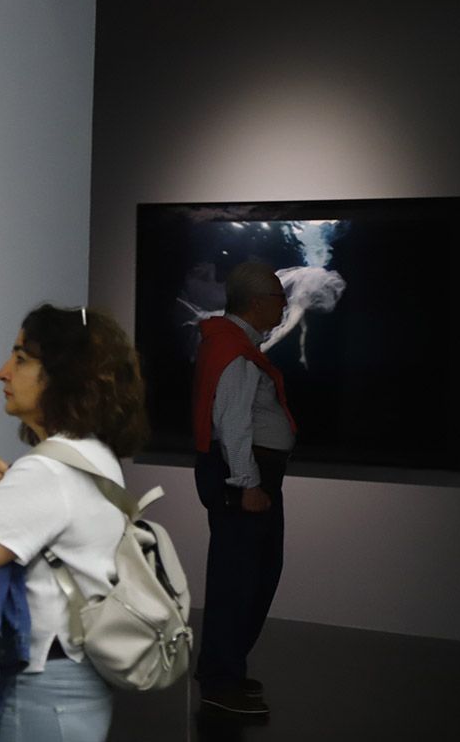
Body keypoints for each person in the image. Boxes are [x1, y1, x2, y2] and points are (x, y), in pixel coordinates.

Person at [0, 304, 149, 742]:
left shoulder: (45, 472)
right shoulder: (96, 457)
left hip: (42, 692)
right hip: (80, 684)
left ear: (61, 374)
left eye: (21, 359)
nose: (3, 372)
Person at [190, 261, 296, 717]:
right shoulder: (234, 350)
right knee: (243, 579)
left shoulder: (231, 345)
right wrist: (248, 484)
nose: (284, 306)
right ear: (256, 303)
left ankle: (225, 671)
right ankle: (220, 681)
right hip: (244, 476)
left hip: (245, 473)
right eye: (278, 298)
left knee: (247, 575)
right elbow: (231, 425)